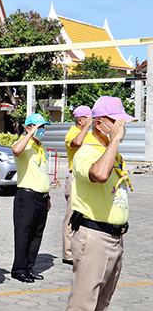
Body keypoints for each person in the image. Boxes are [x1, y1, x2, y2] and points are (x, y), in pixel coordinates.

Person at [57, 96, 134, 311]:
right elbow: (100, 175)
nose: (121, 128)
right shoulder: (87, 151)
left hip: (114, 236)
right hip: (94, 235)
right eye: (117, 122)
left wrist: (112, 144)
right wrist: (114, 142)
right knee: (83, 303)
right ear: (100, 124)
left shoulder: (107, 151)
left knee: (101, 304)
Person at [10, 113, 51, 284]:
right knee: (24, 234)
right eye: (38, 127)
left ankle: (29, 267)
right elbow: (16, 150)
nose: (42, 130)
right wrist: (29, 134)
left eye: (43, 127)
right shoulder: (24, 145)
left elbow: (43, 173)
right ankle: (19, 269)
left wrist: (47, 196)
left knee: (36, 235)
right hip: (27, 196)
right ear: (28, 128)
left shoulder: (41, 147)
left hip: (41, 197)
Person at [62, 106, 93, 266]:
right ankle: (68, 254)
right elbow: (77, 143)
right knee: (72, 215)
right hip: (75, 178)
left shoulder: (90, 135)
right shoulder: (72, 133)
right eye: (89, 118)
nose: (92, 121)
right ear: (80, 120)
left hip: (88, 178)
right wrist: (87, 127)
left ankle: (82, 250)